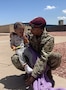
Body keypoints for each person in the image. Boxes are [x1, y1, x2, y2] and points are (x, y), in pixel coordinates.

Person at [11, 17, 62, 88]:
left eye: (32, 27)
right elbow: (21, 37)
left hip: (42, 60)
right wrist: (15, 34)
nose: (30, 29)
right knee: (15, 58)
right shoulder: (30, 34)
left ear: (39, 29)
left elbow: (43, 58)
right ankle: (28, 71)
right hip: (32, 58)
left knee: (56, 57)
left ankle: (47, 72)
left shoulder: (49, 39)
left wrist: (33, 77)